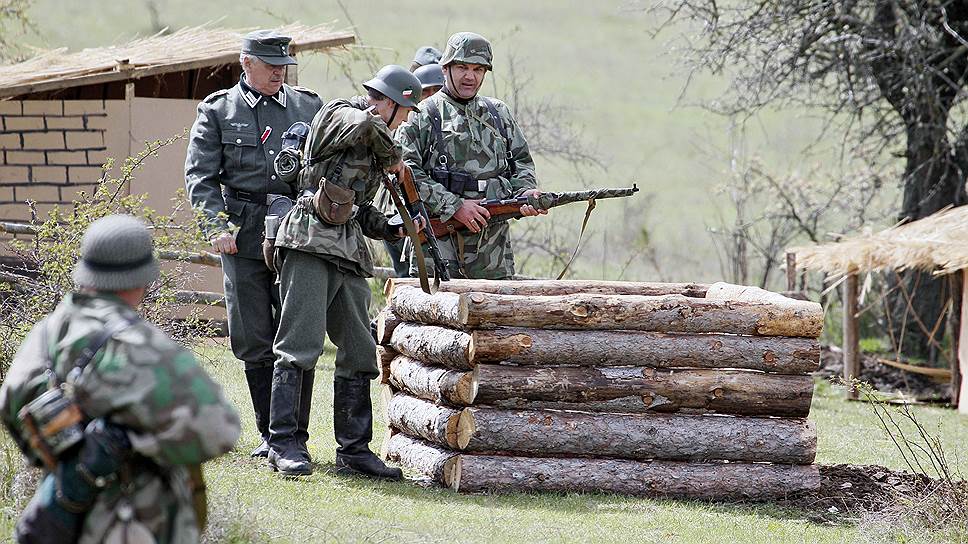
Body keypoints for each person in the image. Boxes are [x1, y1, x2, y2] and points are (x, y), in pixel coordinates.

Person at [0, 214, 241, 544]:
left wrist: (69, 453)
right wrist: (131, 443)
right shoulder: (147, 347)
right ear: (143, 279)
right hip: (137, 523)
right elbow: (220, 429)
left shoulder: (47, 332)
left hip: (63, 514)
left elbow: (12, 400)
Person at [266, 65, 422, 478]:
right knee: (299, 345)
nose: (403, 120)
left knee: (357, 349)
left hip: (349, 251)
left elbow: (360, 207)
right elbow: (365, 126)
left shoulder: (373, 141)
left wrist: (393, 227)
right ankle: (285, 443)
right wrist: (396, 160)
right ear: (386, 102)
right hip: (309, 243)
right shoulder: (339, 114)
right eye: (403, 111)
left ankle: (354, 450)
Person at [185, 30, 322, 459]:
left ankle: (292, 437)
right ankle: (270, 434)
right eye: (269, 64)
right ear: (246, 62)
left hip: (298, 233)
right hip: (243, 236)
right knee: (252, 333)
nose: (279, 71)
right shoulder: (218, 110)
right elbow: (200, 177)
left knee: (297, 330)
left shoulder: (309, 106)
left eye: (283, 64)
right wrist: (215, 225)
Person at [397, 32, 544, 280]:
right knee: (434, 314)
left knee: (493, 313)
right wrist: (454, 206)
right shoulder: (421, 114)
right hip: (439, 247)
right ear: (446, 69)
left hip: (492, 250)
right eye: (462, 67)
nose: (470, 76)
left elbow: (521, 162)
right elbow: (405, 172)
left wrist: (525, 194)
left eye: (478, 69)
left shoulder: (499, 113)